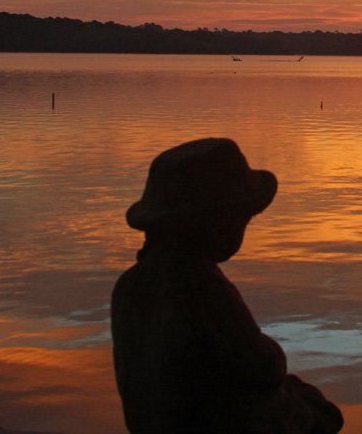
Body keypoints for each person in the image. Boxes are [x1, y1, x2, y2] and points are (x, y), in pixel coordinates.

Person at [112, 138, 343, 434]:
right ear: (214, 223)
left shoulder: (131, 284)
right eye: (241, 219)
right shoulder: (198, 287)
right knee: (322, 414)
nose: (242, 228)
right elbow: (262, 366)